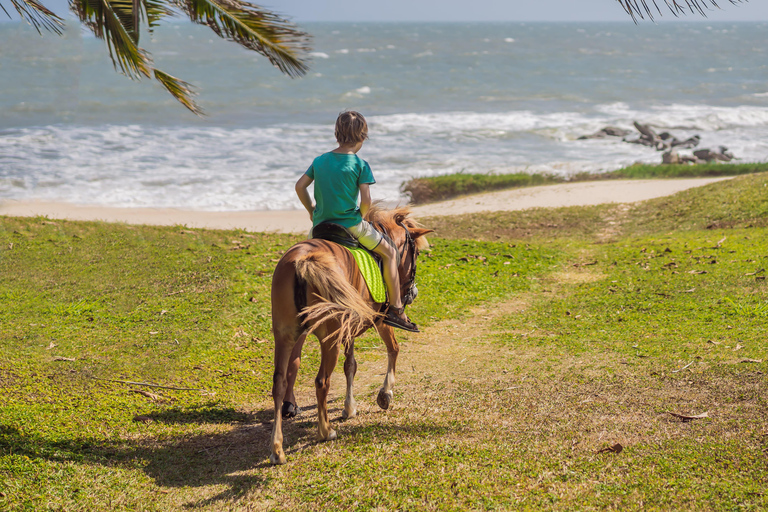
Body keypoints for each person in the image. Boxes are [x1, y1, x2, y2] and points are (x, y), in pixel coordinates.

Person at [295, 110, 418, 332]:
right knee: (390, 253)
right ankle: (397, 309)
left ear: (336, 133)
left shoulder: (320, 160)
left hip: (319, 227)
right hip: (350, 224)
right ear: (363, 135)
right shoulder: (360, 164)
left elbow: (300, 186)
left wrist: (311, 210)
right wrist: (361, 216)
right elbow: (366, 200)